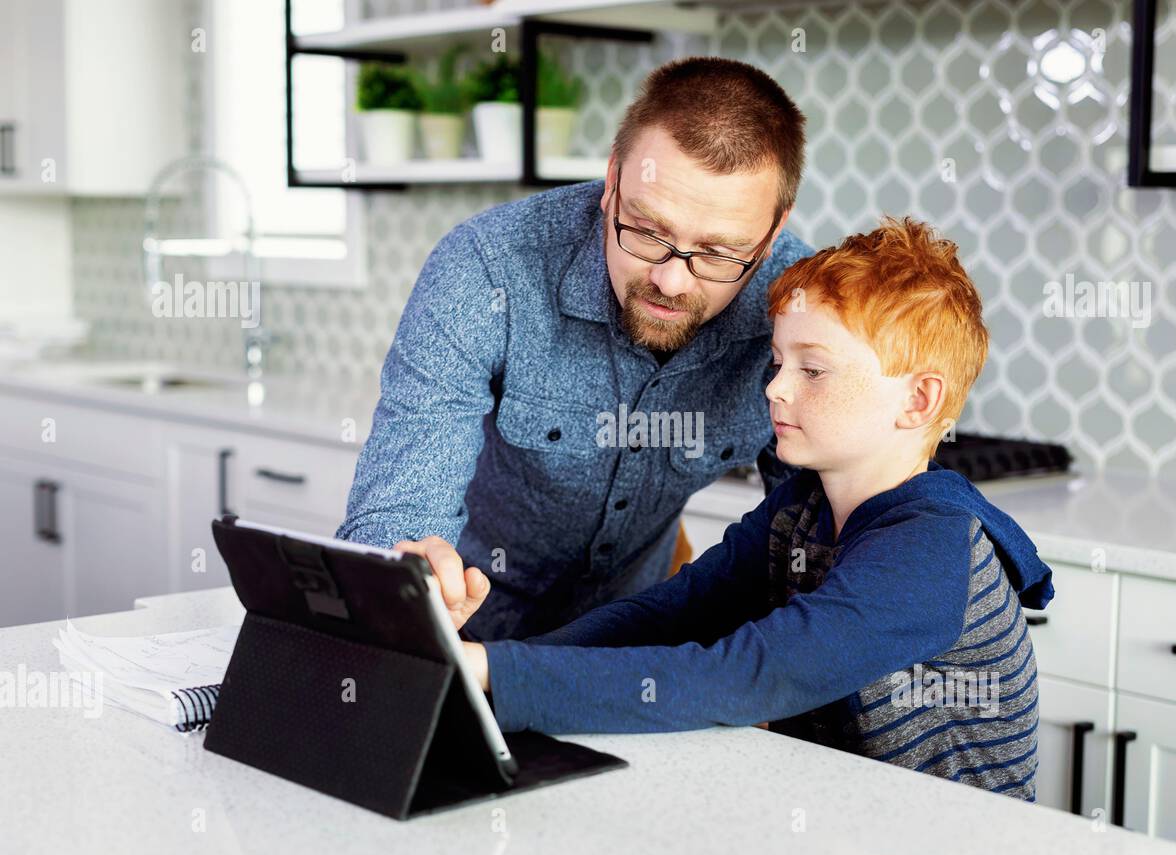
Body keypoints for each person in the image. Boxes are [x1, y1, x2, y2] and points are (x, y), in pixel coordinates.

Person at [454, 219, 1054, 800]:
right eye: (778, 361)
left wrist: (493, 673)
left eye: (812, 370)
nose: (775, 388)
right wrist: (486, 671)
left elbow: (747, 675)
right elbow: (671, 613)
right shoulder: (801, 509)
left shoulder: (930, 551)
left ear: (918, 400)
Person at [336, 57, 814, 640]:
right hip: (466, 629)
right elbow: (396, 512)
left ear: (772, 231)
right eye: (648, 232)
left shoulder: (800, 306)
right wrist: (409, 576)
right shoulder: (486, 270)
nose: (672, 282)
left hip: (634, 645)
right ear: (612, 182)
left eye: (718, 254)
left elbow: (810, 538)